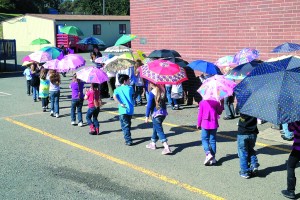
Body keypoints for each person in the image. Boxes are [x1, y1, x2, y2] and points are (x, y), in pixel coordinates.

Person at [145, 82, 172, 155]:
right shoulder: (162, 89)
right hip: (163, 113)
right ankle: (153, 143)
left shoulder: (152, 93)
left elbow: (149, 106)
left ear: (151, 84)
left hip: (156, 114)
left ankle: (166, 146)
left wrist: (146, 116)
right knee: (156, 127)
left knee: (159, 130)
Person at [197, 99, 223, 165]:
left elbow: (200, 114)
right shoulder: (216, 102)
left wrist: (198, 124)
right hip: (214, 124)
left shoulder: (202, 102)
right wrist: (221, 104)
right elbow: (219, 112)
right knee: (213, 140)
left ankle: (208, 153)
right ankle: (213, 157)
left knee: (204, 139)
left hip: (205, 123)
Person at [113, 74, 135, 146]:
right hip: (130, 109)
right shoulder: (130, 88)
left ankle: (128, 139)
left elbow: (114, 97)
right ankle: (127, 137)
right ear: (125, 81)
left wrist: (120, 103)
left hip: (122, 110)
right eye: (128, 80)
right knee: (127, 124)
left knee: (124, 125)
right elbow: (132, 95)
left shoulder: (117, 89)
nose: (129, 81)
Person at [237, 113, 260, 179]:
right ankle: (254, 164)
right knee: (250, 149)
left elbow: (237, 111)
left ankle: (245, 171)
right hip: (253, 133)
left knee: (243, 153)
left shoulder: (243, 107)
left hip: (242, 133)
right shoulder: (255, 107)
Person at [281, 121, 300, 199]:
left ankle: (290, 191)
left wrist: (289, 121)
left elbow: (290, 128)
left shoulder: (297, 120)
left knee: (290, 166)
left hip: (298, 149)